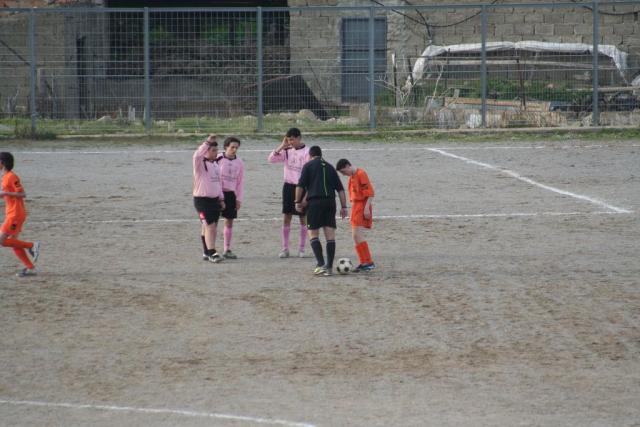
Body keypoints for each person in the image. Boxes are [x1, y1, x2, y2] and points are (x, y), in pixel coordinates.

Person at [295, 146, 347, 276]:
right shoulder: (330, 167)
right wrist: (344, 207)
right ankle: (329, 267)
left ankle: (320, 263)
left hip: (315, 203)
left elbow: (300, 186)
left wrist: (297, 201)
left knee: (313, 234)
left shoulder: (308, 166)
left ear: (310, 155)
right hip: (330, 203)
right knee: (330, 236)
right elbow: (340, 190)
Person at [268, 127, 311, 258]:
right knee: (287, 216)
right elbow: (271, 159)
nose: (290, 142)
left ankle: (302, 249)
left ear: (299, 138)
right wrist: (282, 146)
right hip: (288, 186)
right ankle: (285, 248)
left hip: (302, 187)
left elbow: (309, 172)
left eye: (292, 139)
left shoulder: (307, 152)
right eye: (288, 139)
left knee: (303, 217)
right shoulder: (287, 150)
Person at [0, 152, 40, 277]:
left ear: (2, 162)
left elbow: (22, 194)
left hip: (15, 214)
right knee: (13, 243)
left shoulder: (12, 176)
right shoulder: (5, 177)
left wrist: (5, 193)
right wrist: (4, 194)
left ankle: (32, 245)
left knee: (2, 241)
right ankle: (31, 268)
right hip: (12, 213)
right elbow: (8, 194)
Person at [336, 158, 376, 272]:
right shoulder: (352, 177)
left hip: (362, 206)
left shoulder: (361, 174)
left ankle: (368, 262)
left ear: (348, 166)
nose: (343, 175)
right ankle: (364, 262)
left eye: (343, 171)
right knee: (355, 236)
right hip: (356, 206)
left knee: (357, 235)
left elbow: (370, 193)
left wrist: (366, 208)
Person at [193, 134, 225, 263]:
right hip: (202, 201)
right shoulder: (200, 164)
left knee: (210, 227)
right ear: (206, 151)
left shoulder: (216, 165)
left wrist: (221, 199)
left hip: (214, 200)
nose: (216, 153)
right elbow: (197, 155)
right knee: (209, 226)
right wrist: (207, 142)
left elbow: (218, 183)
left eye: (217, 150)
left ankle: (206, 252)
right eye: (213, 150)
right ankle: (212, 252)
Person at [217, 136, 244, 259]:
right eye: (232, 147)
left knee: (229, 221)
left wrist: (239, 198)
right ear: (226, 147)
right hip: (217, 193)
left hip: (230, 195)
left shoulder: (239, 162)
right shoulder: (218, 158)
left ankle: (227, 249)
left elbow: (240, 182)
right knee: (212, 222)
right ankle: (210, 249)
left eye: (236, 148)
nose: (234, 150)